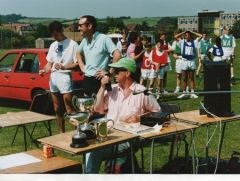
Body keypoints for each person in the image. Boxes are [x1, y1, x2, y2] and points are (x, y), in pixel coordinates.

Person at [85, 58, 161, 173]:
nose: (113, 73)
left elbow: (158, 112)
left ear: (127, 73)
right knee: (88, 145)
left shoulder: (141, 91)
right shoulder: (112, 89)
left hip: (130, 138)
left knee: (95, 149)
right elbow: (97, 110)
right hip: (110, 134)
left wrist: (140, 118)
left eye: (117, 71)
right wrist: (102, 87)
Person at [39, 21, 78, 133]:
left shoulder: (73, 44)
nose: (54, 37)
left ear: (61, 30)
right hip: (54, 78)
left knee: (69, 108)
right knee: (57, 108)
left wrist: (64, 66)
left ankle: (76, 133)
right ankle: (61, 133)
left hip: (65, 77)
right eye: (53, 35)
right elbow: (49, 64)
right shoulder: (53, 45)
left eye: (56, 34)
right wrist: (44, 70)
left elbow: (77, 63)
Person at [77, 15, 121, 96]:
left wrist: (110, 72)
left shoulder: (103, 38)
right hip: (87, 79)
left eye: (80, 26)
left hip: (100, 80)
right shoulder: (84, 40)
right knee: (88, 107)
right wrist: (82, 67)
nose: (78, 28)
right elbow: (78, 53)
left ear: (89, 26)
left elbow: (117, 54)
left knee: (102, 107)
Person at [175, 30, 202, 99]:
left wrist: (192, 32)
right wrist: (183, 32)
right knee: (184, 78)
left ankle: (192, 92)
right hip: (184, 61)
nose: (187, 36)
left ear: (190, 36)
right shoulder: (182, 42)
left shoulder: (194, 42)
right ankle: (184, 92)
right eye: (186, 35)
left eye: (188, 35)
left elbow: (200, 36)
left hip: (192, 61)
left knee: (192, 78)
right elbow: (176, 36)